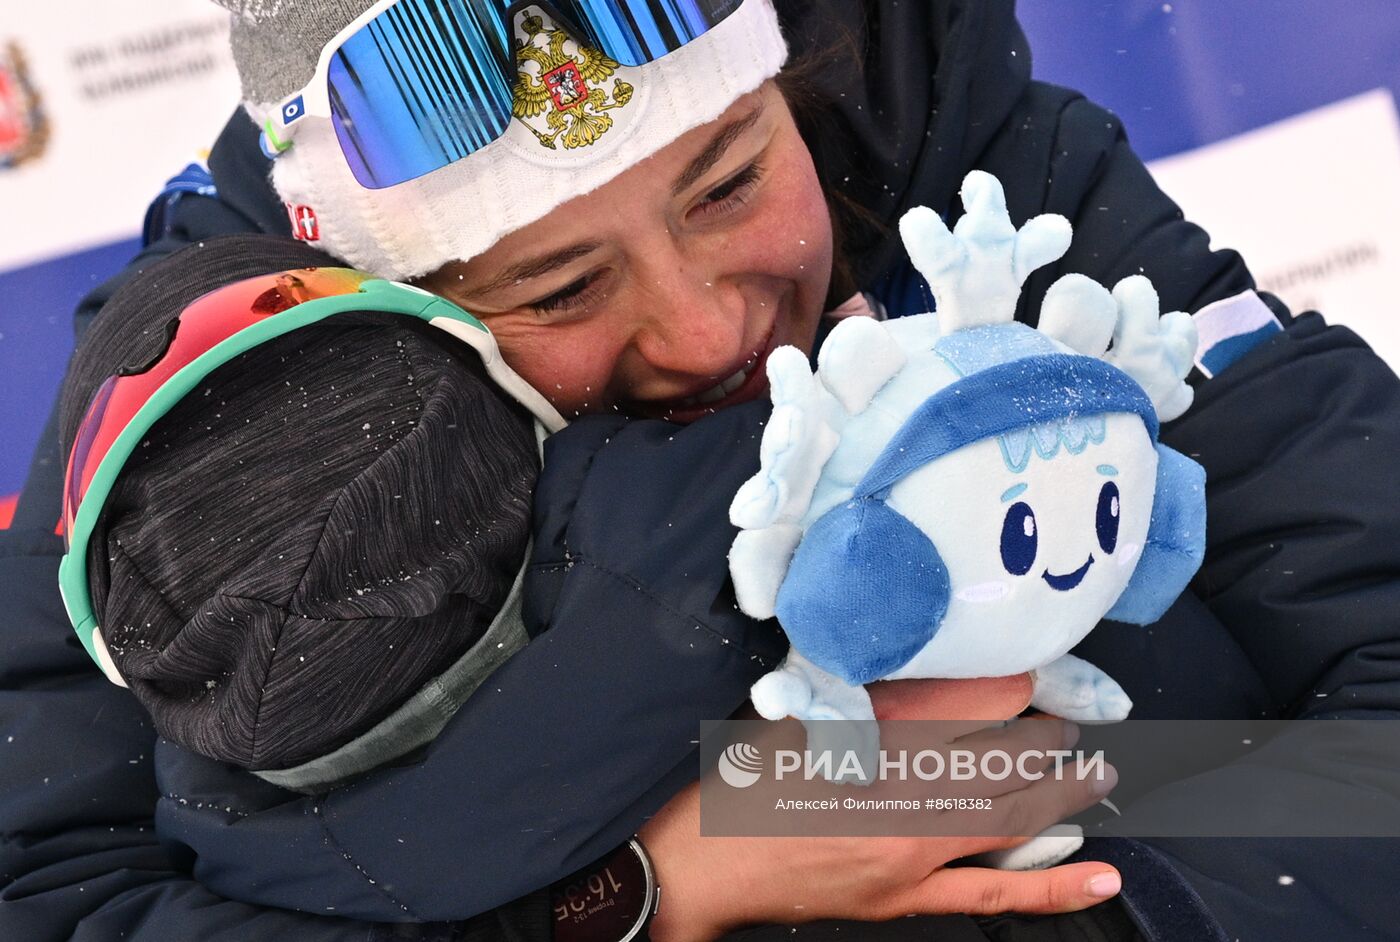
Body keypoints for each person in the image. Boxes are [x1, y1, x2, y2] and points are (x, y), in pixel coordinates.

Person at [3, 0, 1400, 939]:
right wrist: (654, 884)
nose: (705, 325)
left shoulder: (970, 155)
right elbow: (54, 892)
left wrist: (1084, 875)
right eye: (557, 287)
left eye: (730, 184)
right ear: (391, 316)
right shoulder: (201, 431)